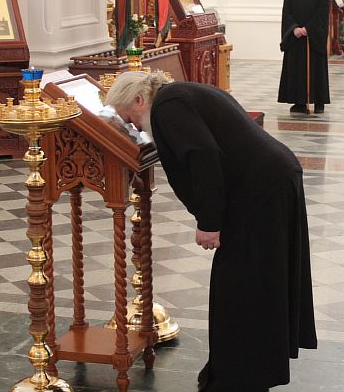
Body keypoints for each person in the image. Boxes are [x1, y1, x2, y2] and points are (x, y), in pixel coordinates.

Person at [105, 71, 317, 392]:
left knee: (242, 285)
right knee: (252, 282)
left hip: (261, 193)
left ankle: (240, 377)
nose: (135, 127)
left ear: (138, 99)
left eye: (130, 119)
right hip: (268, 184)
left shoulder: (167, 106)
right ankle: (235, 369)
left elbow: (204, 156)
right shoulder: (179, 94)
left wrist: (209, 222)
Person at [278, 0, 330, 115]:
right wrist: (294, 28)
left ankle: (319, 102)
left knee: (316, 69)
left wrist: (308, 28)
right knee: (296, 70)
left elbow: (322, 13)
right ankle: (299, 102)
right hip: (295, 38)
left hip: (314, 37)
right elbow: (286, 13)